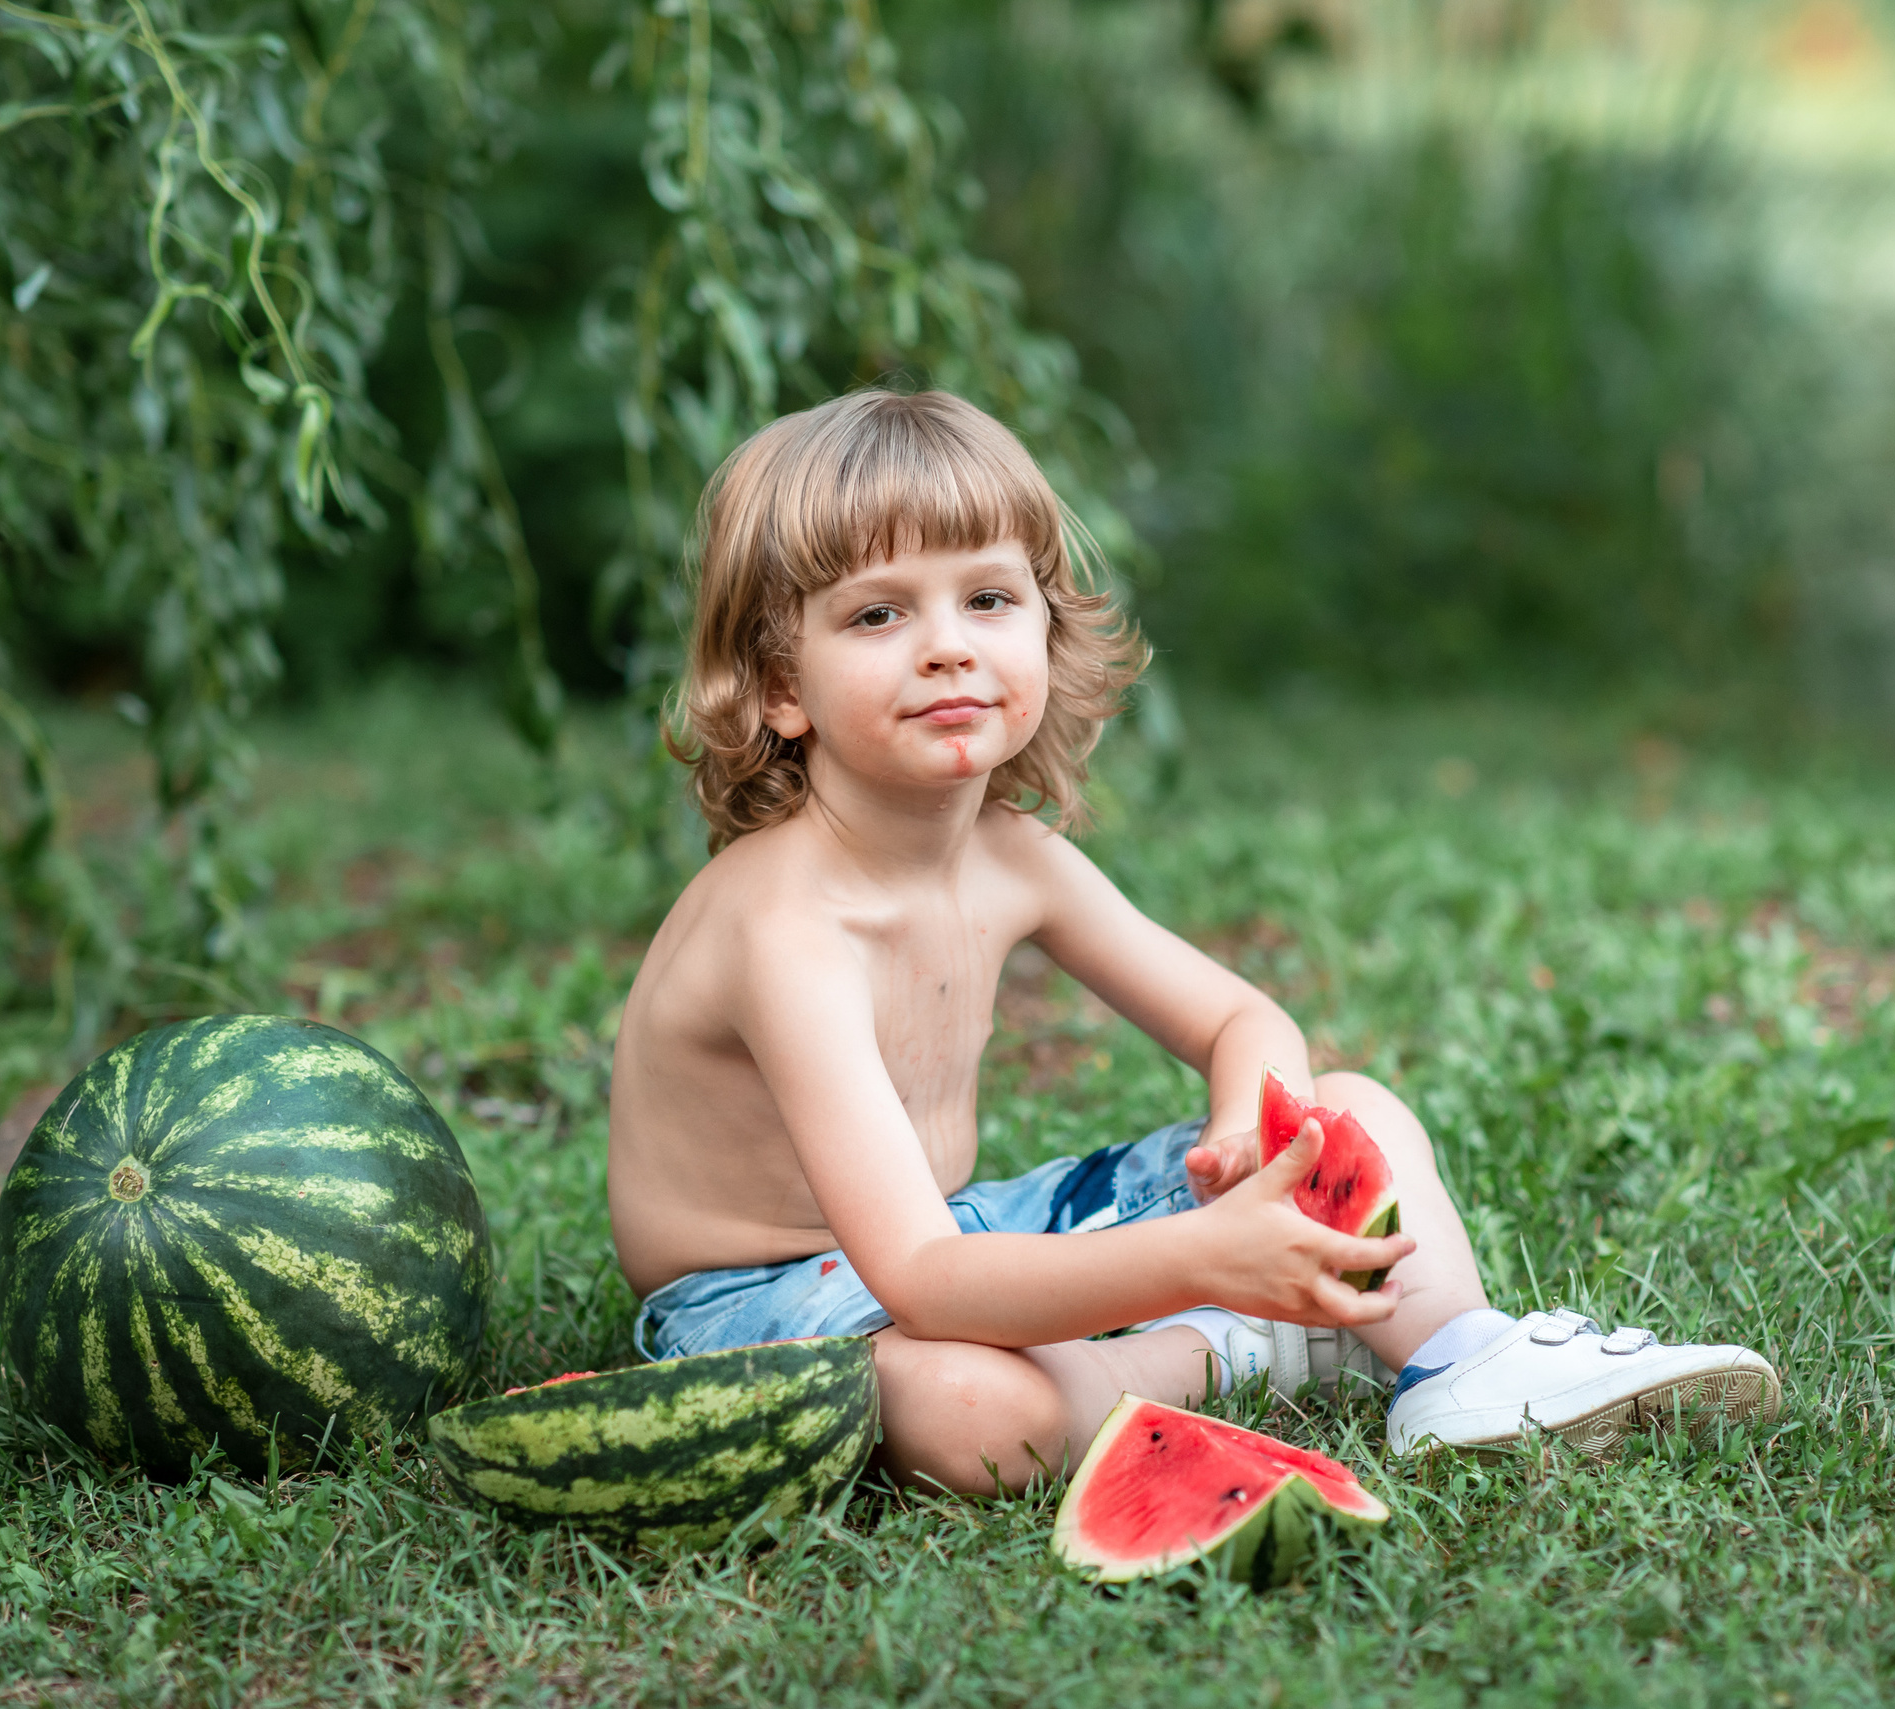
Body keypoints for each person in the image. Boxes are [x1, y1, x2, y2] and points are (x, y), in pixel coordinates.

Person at [607, 388, 1780, 1493]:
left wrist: (1239, 1126)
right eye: (878, 613)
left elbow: (1236, 1019)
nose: (948, 645)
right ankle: (1249, 1348)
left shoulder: (1009, 852)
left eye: (987, 599)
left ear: (1045, 628)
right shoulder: (784, 927)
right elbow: (916, 1276)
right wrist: (1206, 1255)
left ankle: (1464, 1361)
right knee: (971, 1407)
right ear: (777, 684)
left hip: (954, 1235)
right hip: (755, 1306)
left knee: (1350, 1106)